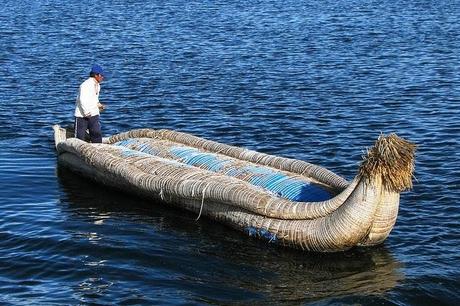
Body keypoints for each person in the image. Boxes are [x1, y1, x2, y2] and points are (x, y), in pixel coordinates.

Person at [74, 64, 106, 143]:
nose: (102, 77)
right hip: (82, 116)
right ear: (96, 75)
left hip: (94, 114)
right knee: (79, 138)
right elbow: (82, 99)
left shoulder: (97, 85)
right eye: (101, 75)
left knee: (96, 134)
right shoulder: (85, 85)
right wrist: (86, 112)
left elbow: (94, 99)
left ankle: (98, 149)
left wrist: (99, 105)